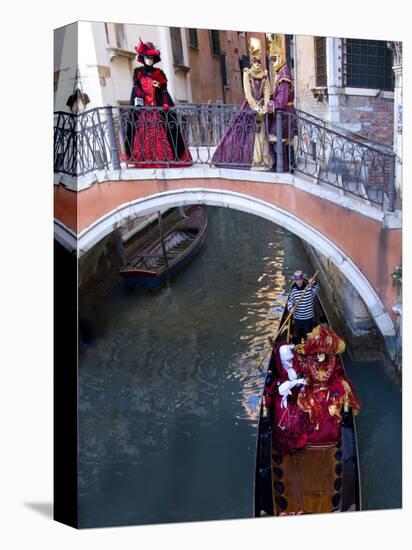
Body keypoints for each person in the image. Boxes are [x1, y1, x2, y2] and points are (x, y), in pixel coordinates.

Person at [122, 39, 192, 168]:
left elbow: (164, 90)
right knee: (142, 131)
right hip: (143, 107)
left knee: (166, 128)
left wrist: (164, 101)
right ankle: (144, 157)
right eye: (147, 57)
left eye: (152, 58)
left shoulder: (159, 73)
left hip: (158, 106)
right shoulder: (138, 72)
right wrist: (146, 98)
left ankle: (167, 156)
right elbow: (136, 89)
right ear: (143, 58)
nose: (150, 60)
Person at [212, 38, 272, 170]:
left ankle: (263, 159)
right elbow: (248, 94)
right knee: (246, 135)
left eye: (258, 61)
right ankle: (254, 160)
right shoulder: (247, 74)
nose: (257, 63)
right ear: (251, 61)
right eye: (255, 61)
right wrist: (255, 107)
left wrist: (265, 105)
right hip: (250, 109)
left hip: (262, 108)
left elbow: (267, 91)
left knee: (261, 134)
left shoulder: (265, 75)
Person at [266, 34, 297, 172]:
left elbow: (282, 99)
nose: (272, 63)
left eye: (274, 59)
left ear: (280, 57)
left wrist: (272, 105)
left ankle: (280, 166)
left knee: (274, 137)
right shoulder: (281, 72)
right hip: (287, 114)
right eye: (271, 60)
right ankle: (291, 165)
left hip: (284, 114)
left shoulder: (284, 75)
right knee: (287, 141)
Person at [287, 270, 319, 342]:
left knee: (307, 334)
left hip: (308, 317)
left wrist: (314, 283)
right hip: (298, 318)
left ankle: (306, 345)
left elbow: (316, 289)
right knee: (298, 334)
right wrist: (290, 308)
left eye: (300, 279)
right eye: (297, 280)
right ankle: (298, 343)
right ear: (295, 280)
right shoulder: (294, 292)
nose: (299, 282)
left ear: (302, 279)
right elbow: (289, 301)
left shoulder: (309, 289)